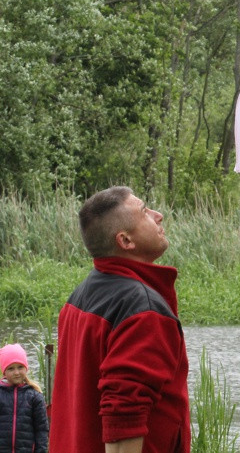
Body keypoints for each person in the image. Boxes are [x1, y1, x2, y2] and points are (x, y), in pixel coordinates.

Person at [49, 186, 190, 453]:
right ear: (125, 241)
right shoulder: (142, 310)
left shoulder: (78, 297)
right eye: (144, 211)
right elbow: (124, 415)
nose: (158, 215)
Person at [0, 343, 48, 453]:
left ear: (26, 368)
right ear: (4, 371)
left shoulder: (35, 396)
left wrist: (41, 450)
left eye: (20, 367)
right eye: (11, 368)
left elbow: (41, 429)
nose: (16, 372)